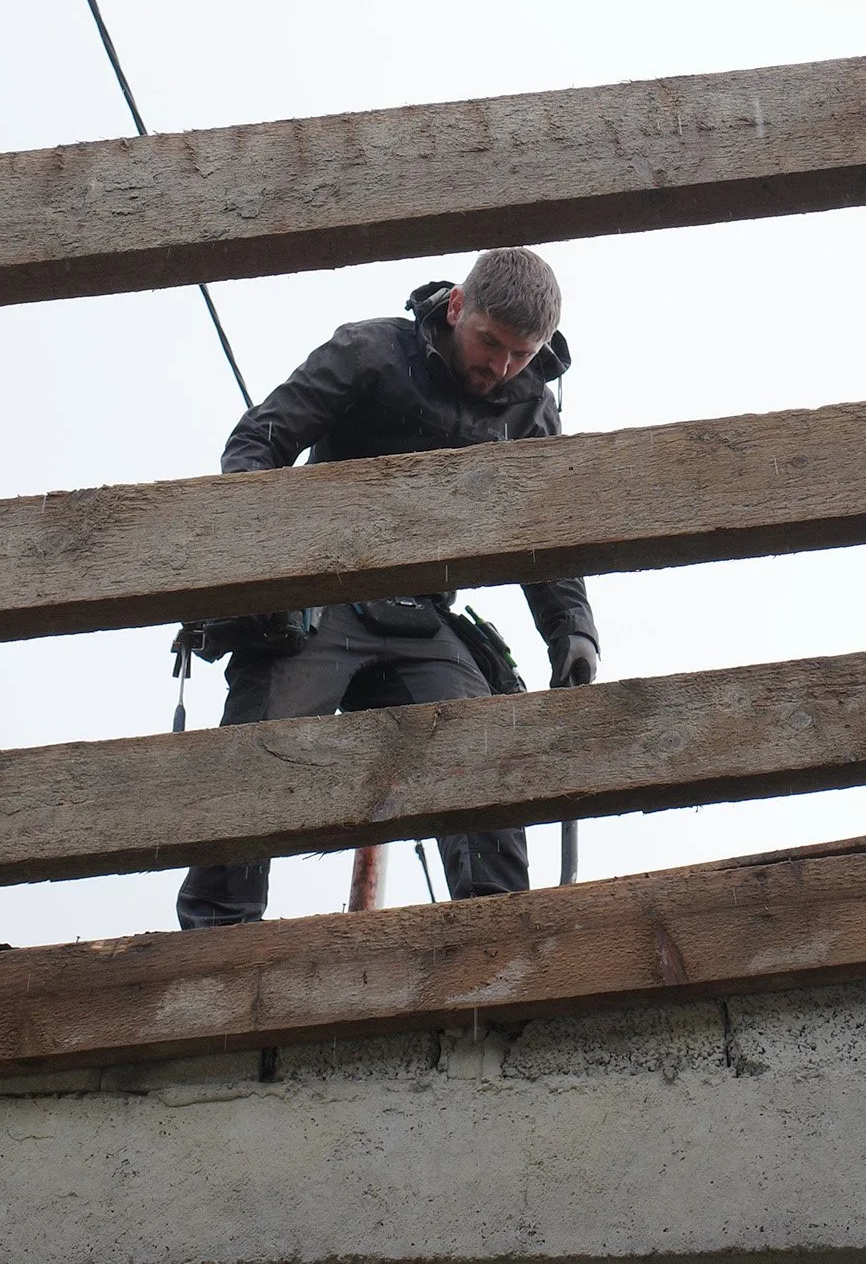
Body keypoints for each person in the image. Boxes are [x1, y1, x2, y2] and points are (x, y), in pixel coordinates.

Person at [175, 247, 598, 928]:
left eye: (521, 354)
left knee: (478, 749)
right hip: (325, 597)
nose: (500, 367)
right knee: (262, 745)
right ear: (458, 306)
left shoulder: (529, 413)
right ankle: (217, 942)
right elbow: (258, 442)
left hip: (423, 619)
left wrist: (572, 631)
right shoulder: (369, 352)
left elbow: (542, 534)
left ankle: (497, 949)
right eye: (490, 343)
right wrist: (270, 571)